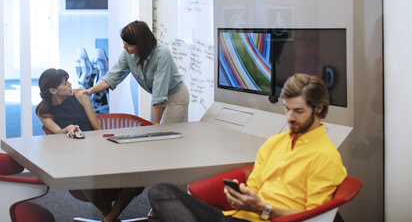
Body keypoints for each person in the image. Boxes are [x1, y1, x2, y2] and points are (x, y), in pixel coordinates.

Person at [148, 73, 347, 222]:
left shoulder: (326, 156)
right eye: (287, 109)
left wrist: (264, 208)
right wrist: (239, 198)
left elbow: (314, 218)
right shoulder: (274, 143)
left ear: (319, 109)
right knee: (160, 191)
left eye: (298, 111)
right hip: (238, 217)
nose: (290, 117)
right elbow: (253, 188)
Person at [36, 68, 142, 222]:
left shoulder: (79, 96)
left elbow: (97, 128)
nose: (70, 84)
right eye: (65, 83)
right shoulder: (43, 111)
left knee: (138, 174)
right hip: (73, 155)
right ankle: (110, 215)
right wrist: (67, 129)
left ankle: (110, 217)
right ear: (53, 90)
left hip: (96, 148)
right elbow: (57, 132)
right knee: (83, 177)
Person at [84, 20, 189, 125]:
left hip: (175, 96)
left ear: (141, 44)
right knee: (154, 132)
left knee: (166, 134)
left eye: (128, 44)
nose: (124, 47)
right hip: (157, 97)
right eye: (124, 43)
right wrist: (90, 91)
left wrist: (156, 123)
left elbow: (159, 90)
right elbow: (112, 76)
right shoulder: (128, 53)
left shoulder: (162, 54)